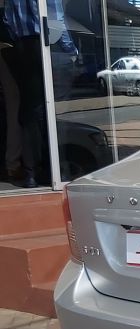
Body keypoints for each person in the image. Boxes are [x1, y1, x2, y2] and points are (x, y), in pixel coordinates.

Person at [1, 0, 75, 188]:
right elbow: (54, 17)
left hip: (22, 45)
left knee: (30, 110)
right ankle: (56, 169)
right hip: (47, 43)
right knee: (54, 109)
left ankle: (32, 172)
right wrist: (70, 50)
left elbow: (8, 19)